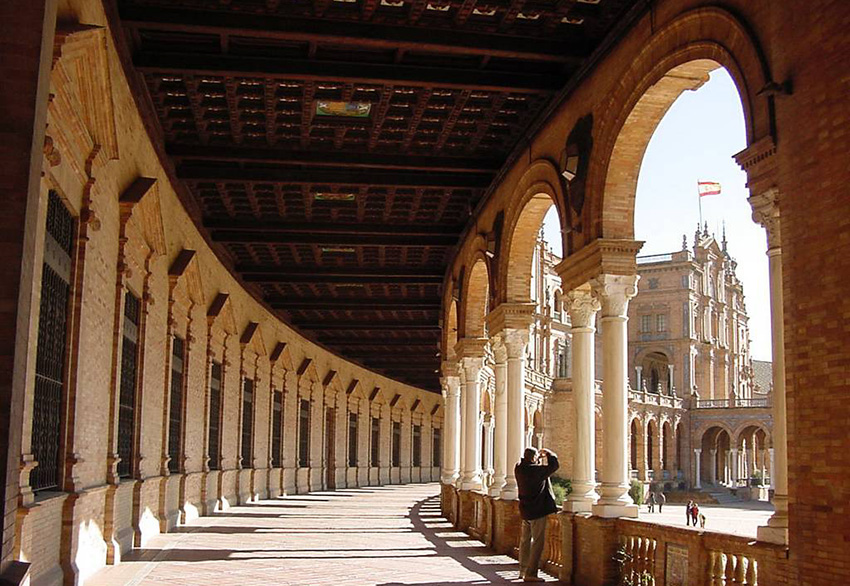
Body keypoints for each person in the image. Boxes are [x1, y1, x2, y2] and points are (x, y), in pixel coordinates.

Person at [515, 447, 559, 583]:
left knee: (525, 541)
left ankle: (522, 570)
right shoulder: (536, 471)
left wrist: (536, 459)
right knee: (537, 543)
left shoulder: (519, 468)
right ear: (534, 459)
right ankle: (531, 573)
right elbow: (554, 465)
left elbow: (532, 467)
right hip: (537, 511)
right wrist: (549, 453)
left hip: (525, 510)